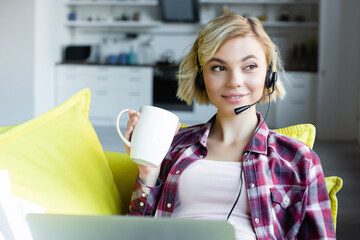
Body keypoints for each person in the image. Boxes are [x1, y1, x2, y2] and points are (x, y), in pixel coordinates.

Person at [124, 13, 336, 240]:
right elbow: (137, 232)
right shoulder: (170, 144)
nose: (235, 81)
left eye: (250, 66)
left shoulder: (300, 159)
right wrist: (148, 169)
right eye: (218, 68)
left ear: (269, 76)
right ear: (200, 77)